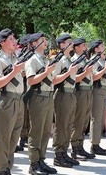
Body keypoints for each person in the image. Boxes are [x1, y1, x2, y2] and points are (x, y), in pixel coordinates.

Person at [0, 28, 25, 175]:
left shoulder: (14, 58)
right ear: (2, 43)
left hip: (18, 100)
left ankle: (7, 166)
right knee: (3, 138)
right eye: (10, 39)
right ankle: (1, 168)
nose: (14, 41)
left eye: (14, 38)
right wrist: (15, 72)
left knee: (14, 138)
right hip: (6, 100)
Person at [25, 32, 57, 175]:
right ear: (33, 44)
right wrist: (47, 71)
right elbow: (31, 81)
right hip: (37, 97)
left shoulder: (44, 59)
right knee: (36, 131)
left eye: (45, 40)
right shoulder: (32, 60)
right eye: (42, 40)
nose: (45, 42)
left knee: (45, 132)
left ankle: (41, 160)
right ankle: (33, 163)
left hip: (48, 97)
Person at [52, 34, 79, 168]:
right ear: (62, 45)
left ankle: (64, 152)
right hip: (62, 94)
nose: (72, 43)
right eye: (69, 42)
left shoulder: (69, 59)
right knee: (61, 125)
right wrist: (69, 72)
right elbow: (54, 79)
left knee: (68, 125)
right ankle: (58, 154)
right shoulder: (60, 60)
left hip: (71, 94)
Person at [70, 38, 95, 160]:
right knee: (79, 120)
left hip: (88, 90)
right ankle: (75, 148)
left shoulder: (85, 59)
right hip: (80, 91)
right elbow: (74, 79)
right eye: (83, 45)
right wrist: (86, 72)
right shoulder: (74, 60)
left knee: (85, 120)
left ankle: (80, 146)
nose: (86, 47)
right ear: (77, 48)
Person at [89, 40, 106, 155]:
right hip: (98, 91)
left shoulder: (101, 60)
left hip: (104, 91)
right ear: (96, 49)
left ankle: (97, 143)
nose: (104, 47)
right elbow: (94, 77)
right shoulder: (94, 60)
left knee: (101, 118)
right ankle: (94, 145)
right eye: (102, 45)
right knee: (96, 119)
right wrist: (105, 68)